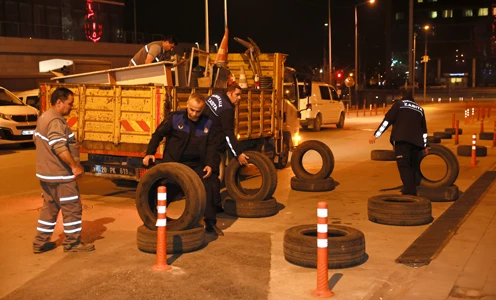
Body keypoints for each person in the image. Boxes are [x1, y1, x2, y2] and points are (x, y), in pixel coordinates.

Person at [142, 93, 222, 235]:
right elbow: (158, 134)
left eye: (198, 111)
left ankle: (210, 223)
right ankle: (153, 218)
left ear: (202, 109)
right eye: (192, 110)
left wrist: (210, 164)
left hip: (196, 164)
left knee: (208, 186)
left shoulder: (208, 123)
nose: (194, 114)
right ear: (187, 106)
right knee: (165, 188)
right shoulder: (175, 118)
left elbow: (212, 146)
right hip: (174, 162)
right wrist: (150, 153)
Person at [33, 87, 95, 253]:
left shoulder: (43, 117)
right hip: (60, 176)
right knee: (72, 208)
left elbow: (37, 141)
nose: (71, 107)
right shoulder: (56, 121)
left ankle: (40, 243)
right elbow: (59, 146)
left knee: (49, 209)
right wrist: (74, 166)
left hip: (46, 174)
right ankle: (73, 243)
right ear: (59, 102)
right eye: (69, 103)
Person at [369, 90, 428, 196]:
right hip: (417, 143)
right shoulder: (420, 109)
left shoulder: (399, 105)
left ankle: (409, 193)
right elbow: (424, 130)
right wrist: (424, 145)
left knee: (404, 166)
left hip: (402, 141)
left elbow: (387, 121)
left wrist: (376, 135)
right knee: (412, 167)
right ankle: (412, 189)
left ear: (401, 97)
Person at [204, 84, 249, 214]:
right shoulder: (227, 109)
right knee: (214, 176)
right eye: (237, 95)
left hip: (201, 139)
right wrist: (238, 153)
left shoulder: (215, 96)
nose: (239, 98)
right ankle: (214, 207)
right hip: (213, 144)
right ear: (229, 93)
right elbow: (228, 134)